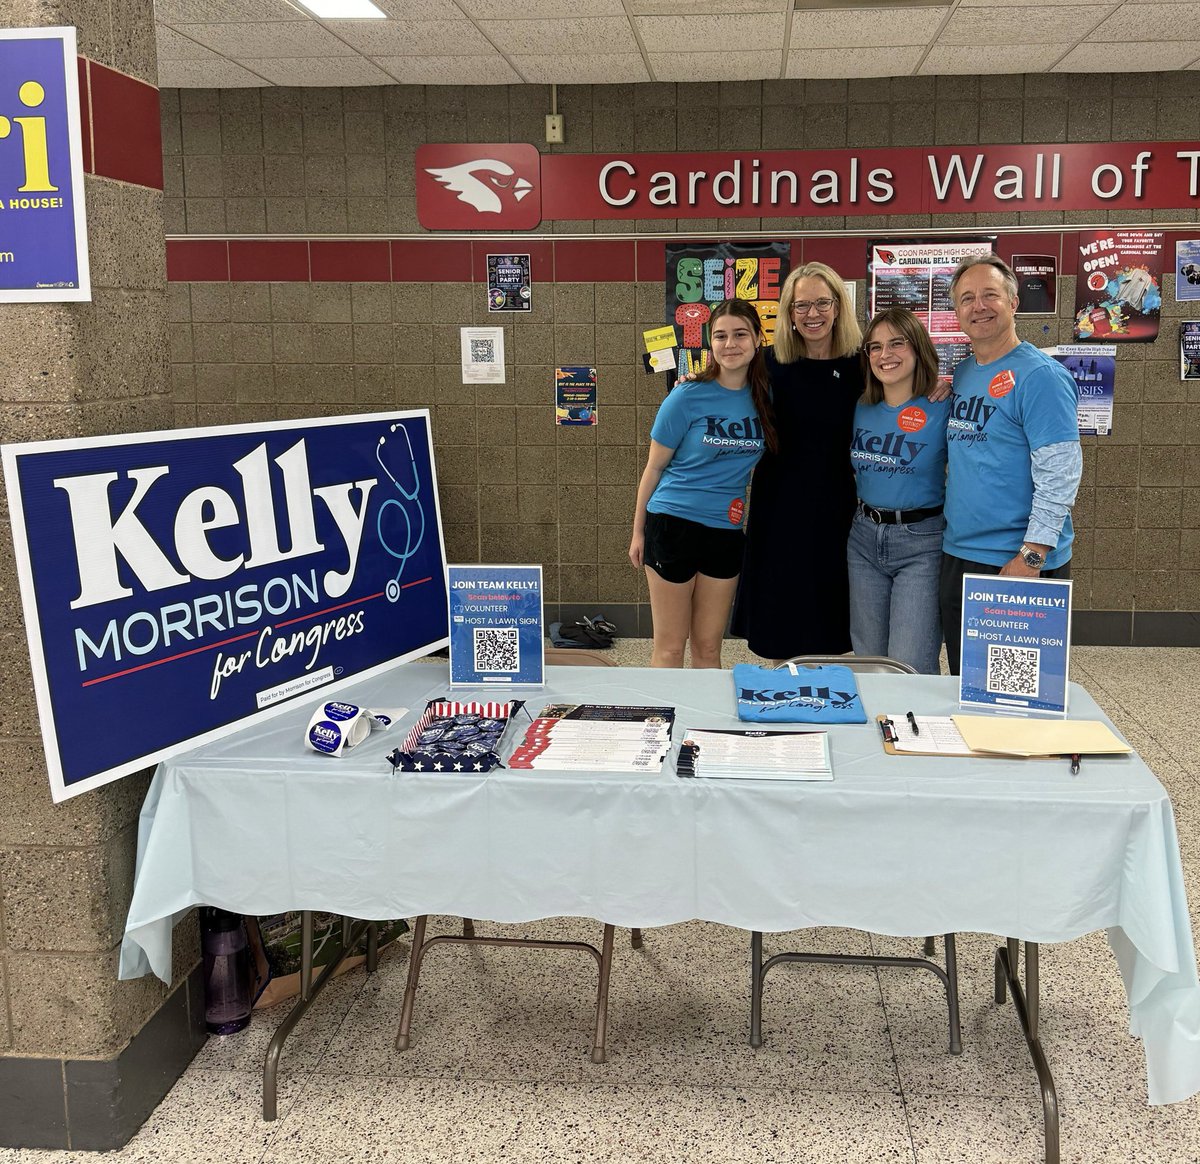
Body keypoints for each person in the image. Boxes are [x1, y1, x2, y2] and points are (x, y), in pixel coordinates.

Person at [939, 254, 1082, 675]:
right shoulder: (964, 373)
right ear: (957, 312)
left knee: (1015, 694)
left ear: (1014, 302)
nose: (978, 306)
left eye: (989, 295)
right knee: (967, 682)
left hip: (1015, 561)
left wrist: (1032, 557)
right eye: (967, 298)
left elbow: (1061, 474)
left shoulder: (1040, 376)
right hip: (961, 553)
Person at [629, 299, 777, 668]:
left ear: (759, 338)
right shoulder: (686, 396)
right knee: (670, 647)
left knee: (710, 647)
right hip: (672, 524)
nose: (730, 344)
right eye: (721, 336)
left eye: (740, 334)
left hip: (726, 530)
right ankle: (662, 722)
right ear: (710, 343)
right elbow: (654, 468)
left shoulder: (767, 398)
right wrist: (638, 533)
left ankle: (704, 727)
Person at [729, 262, 863, 661]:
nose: (813, 314)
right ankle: (783, 707)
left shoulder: (860, 366)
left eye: (822, 303)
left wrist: (938, 388)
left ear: (838, 306)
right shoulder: (768, 364)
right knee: (781, 621)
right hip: (779, 508)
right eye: (801, 305)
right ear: (788, 312)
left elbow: (903, 390)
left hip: (838, 507)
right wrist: (689, 385)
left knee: (831, 620)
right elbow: (722, 387)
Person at [848, 309, 949, 674]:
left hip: (921, 542)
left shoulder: (944, 405)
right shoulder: (859, 406)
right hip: (863, 538)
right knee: (869, 662)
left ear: (918, 347)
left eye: (896, 343)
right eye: (874, 347)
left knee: (910, 666)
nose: (884, 354)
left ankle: (912, 732)